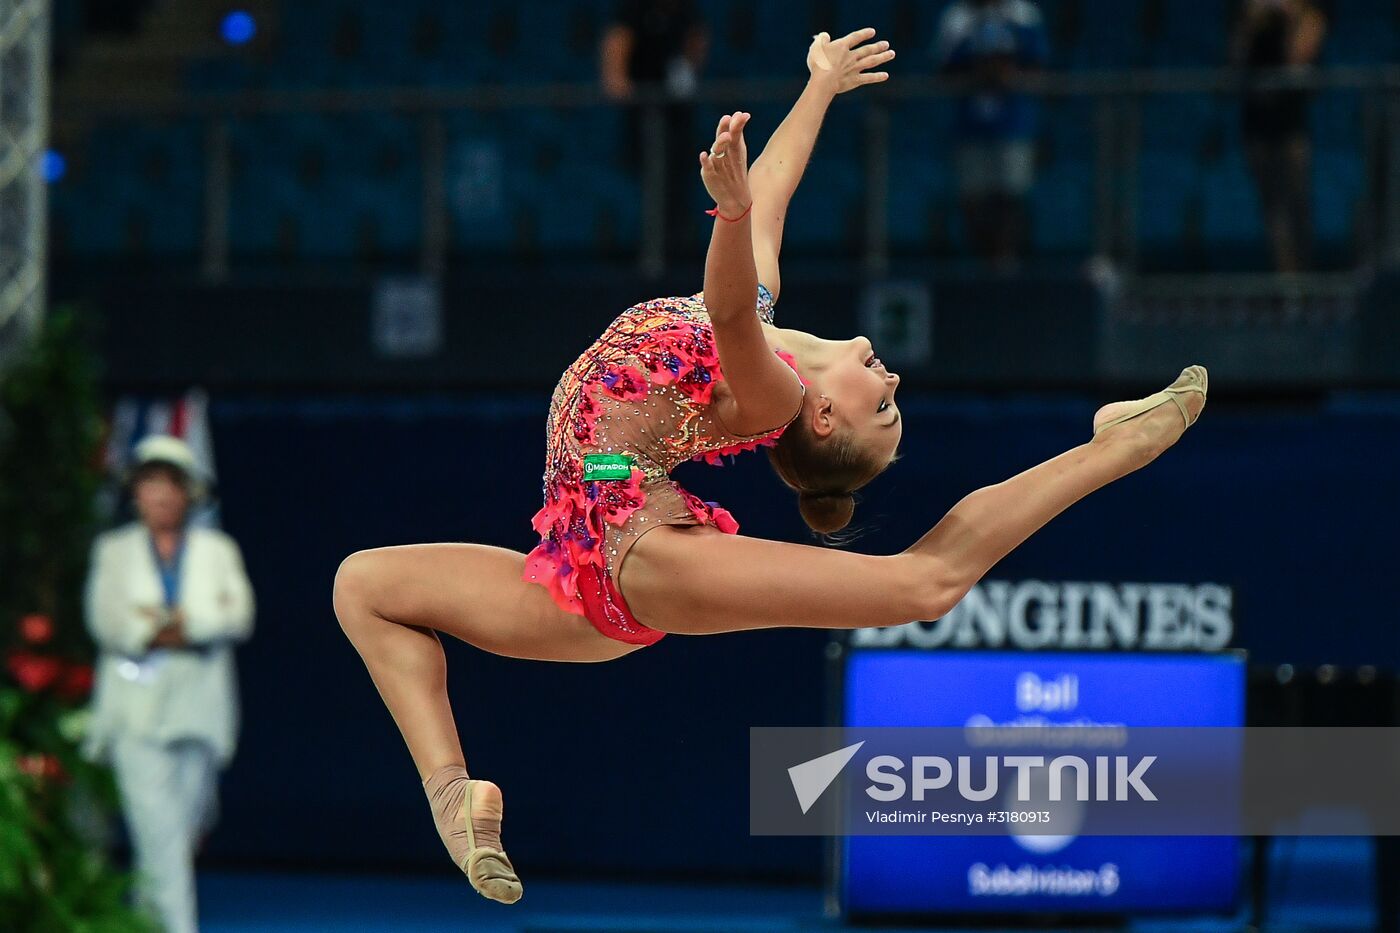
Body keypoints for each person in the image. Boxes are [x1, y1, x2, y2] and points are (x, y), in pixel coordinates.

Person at [333, 28, 1206, 905]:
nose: (893, 377)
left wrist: (732, 211)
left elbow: (729, 305)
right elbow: (777, 191)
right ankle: (453, 800)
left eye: (886, 406)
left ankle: (1114, 445)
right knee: (363, 585)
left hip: (638, 554)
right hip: (573, 578)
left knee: (921, 585)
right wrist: (820, 86)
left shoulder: (771, 393)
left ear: (824, 416)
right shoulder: (764, 309)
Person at [82, 435, 255, 933]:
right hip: (135, 714)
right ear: (136, 492)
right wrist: (165, 627)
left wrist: (182, 624)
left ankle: (141, 922)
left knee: (177, 836)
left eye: (170, 484)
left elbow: (238, 616)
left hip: (199, 712)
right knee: (159, 838)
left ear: (188, 493)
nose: (161, 495)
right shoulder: (113, 551)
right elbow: (106, 621)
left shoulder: (218, 550)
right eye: (150, 483)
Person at [935, 0, 1048, 268]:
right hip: (970, 126)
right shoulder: (958, 17)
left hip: (1013, 125)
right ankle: (979, 265)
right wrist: (976, 73)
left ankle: (1006, 265)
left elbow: (1039, 66)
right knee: (972, 199)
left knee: (1011, 196)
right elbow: (942, 69)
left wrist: (1009, 75)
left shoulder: (1023, 15)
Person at [600, 0, 709, 262]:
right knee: (646, 182)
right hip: (642, 116)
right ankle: (644, 255)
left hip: (676, 116)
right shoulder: (634, 11)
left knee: (679, 185)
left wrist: (687, 74)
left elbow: (697, 42)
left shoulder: (686, 12)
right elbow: (616, 52)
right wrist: (619, 83)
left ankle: (676, 251)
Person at [1233, 0, 1327, 273]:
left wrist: (1289, 18)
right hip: (1257, 124)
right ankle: (1284, 279)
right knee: (1271, 207)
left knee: (1297, 204)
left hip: (1291, 124)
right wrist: (1250, 24)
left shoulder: (1308, 15)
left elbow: (1296, 57)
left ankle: (1304, 275)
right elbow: (1236, 61)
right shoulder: (1249, 17)